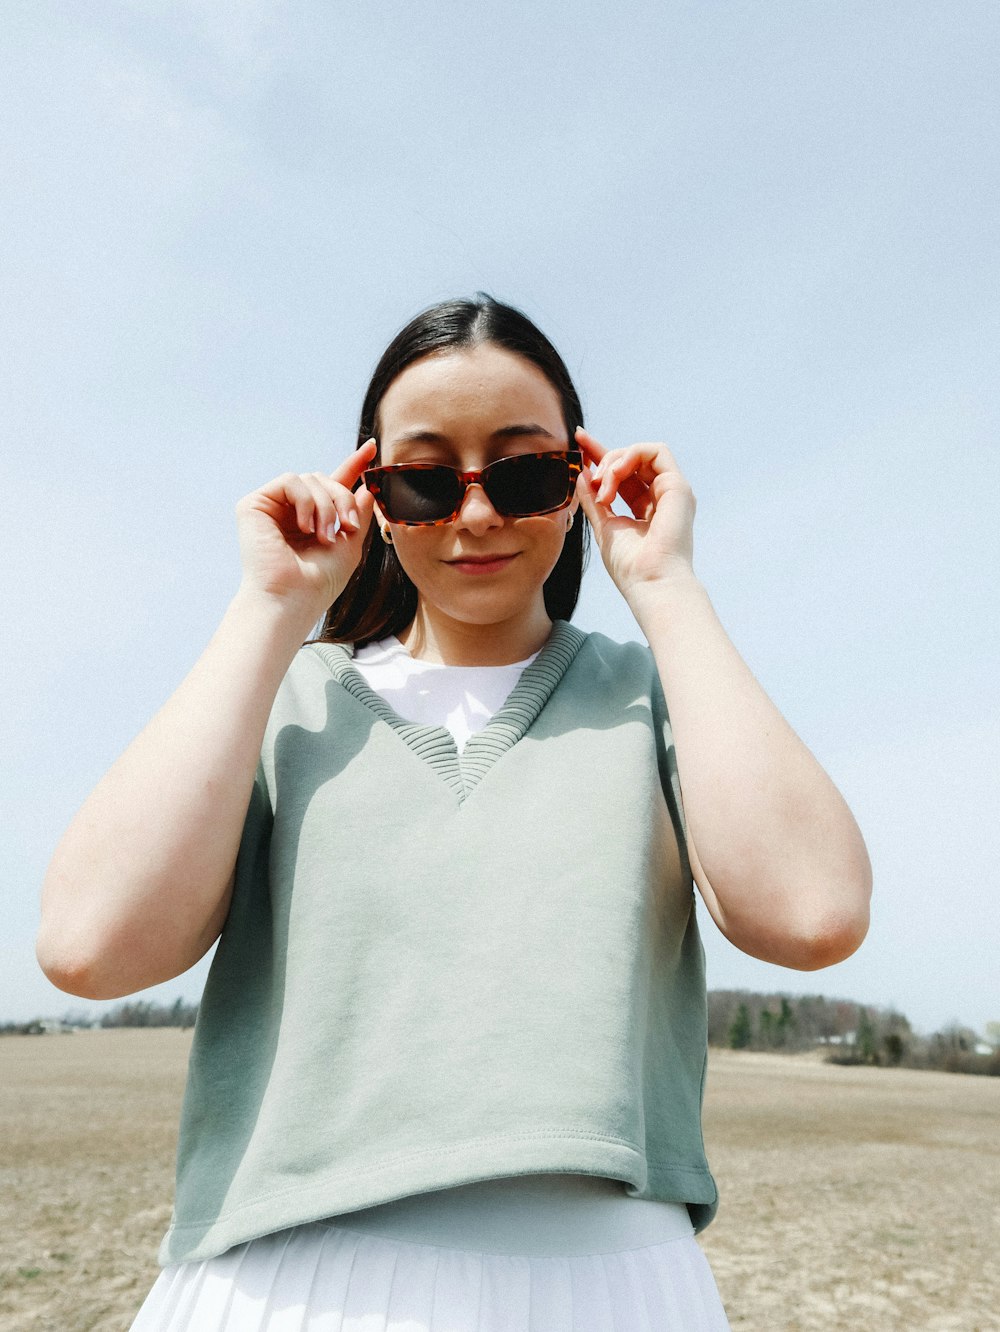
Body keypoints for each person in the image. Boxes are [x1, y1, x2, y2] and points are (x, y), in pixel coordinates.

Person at [38, 294, 872, 1331]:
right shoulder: (284, 700)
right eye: (425, 480)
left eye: (524, 473)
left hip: (613, 1286)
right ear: (373, 497)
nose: (475, 516)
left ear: (580, 481)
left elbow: (812, 913)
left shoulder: (653, 696)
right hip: (280, 1286)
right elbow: (89, 946)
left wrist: (664, 585)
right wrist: (271, 610)